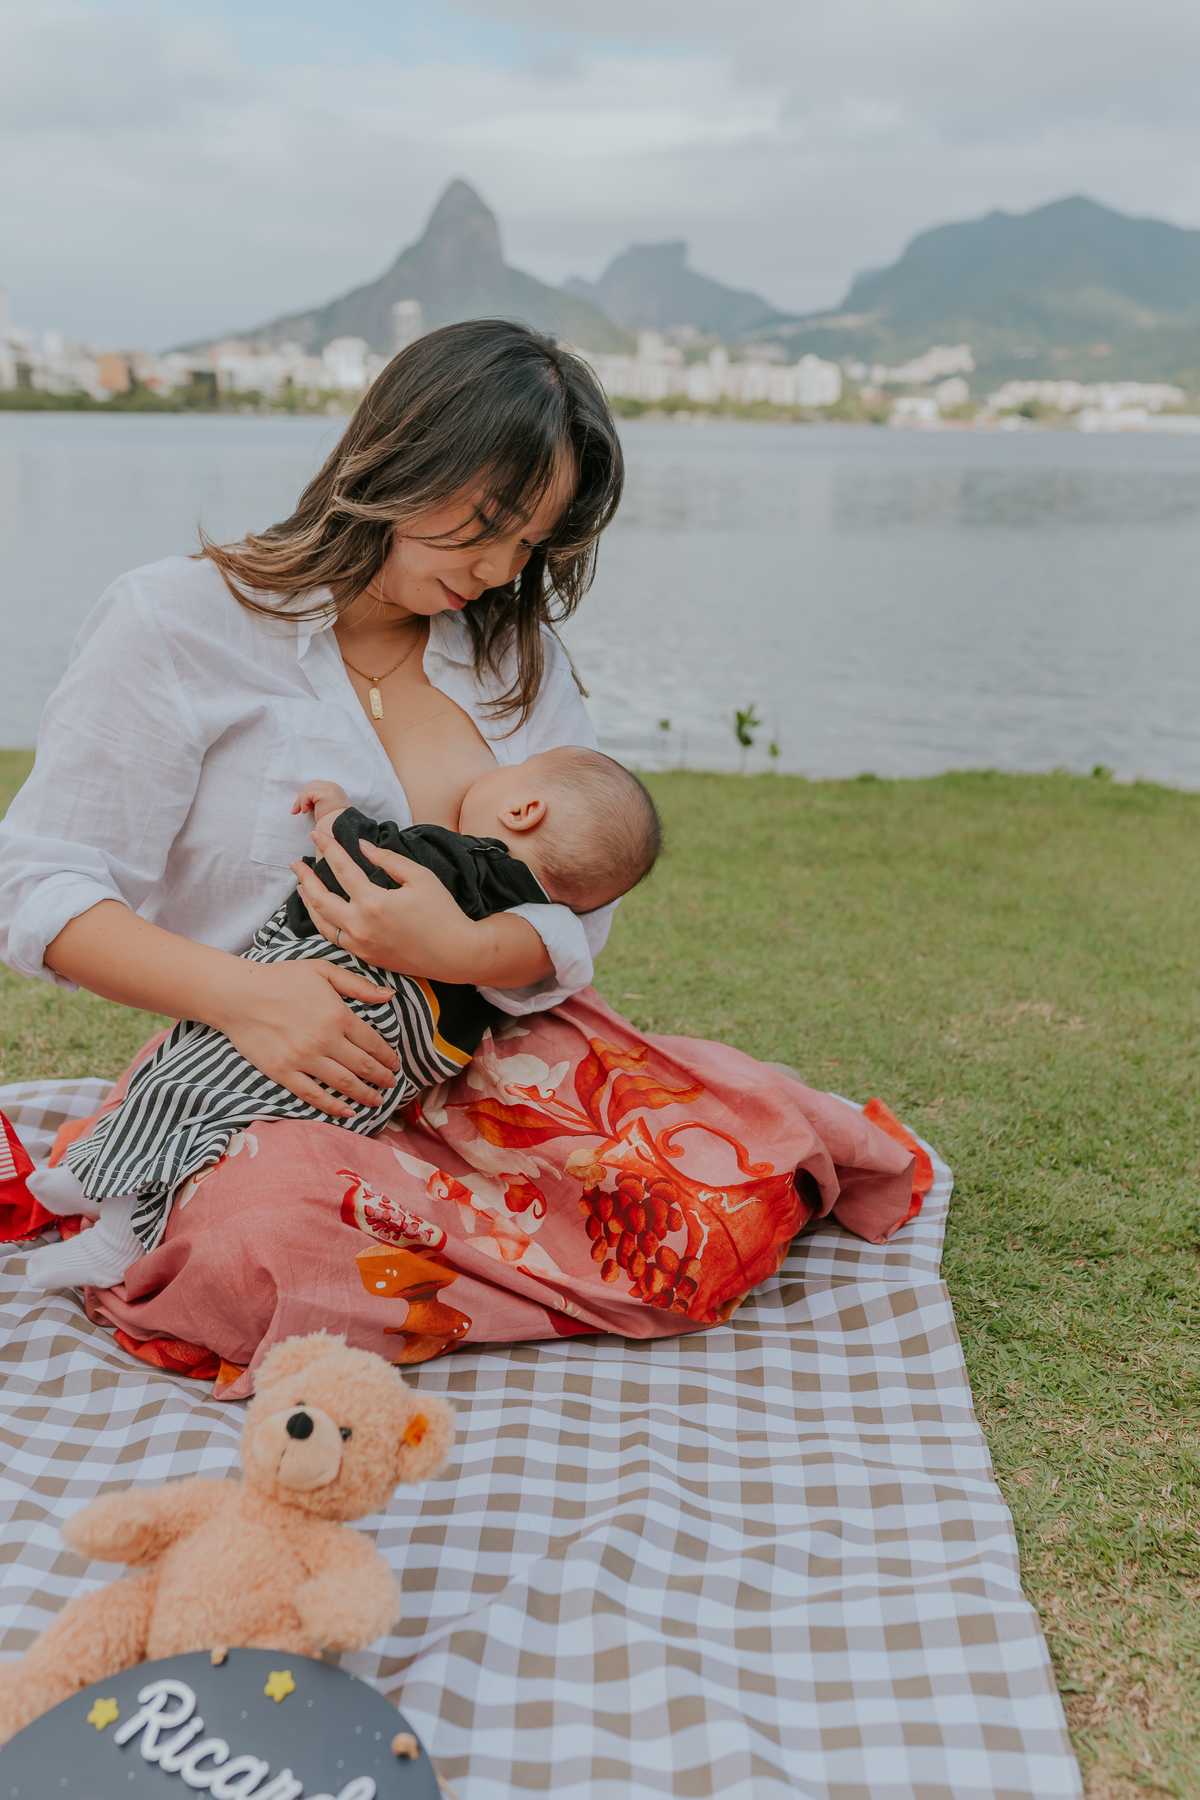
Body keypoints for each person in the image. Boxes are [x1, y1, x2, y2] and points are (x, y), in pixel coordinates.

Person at [0, 318, 923, 1393]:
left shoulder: (514, 660)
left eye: (530, 544)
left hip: (494, 1070)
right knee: (270, 1239)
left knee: (732, 1179)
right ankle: (454, 1258)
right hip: (281, 1084)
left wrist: (464, 943)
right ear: (393, 458)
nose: (497, 569)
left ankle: (454, 1265)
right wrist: (252, 999)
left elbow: (583, 903)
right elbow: (40, 887)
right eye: (483, 524)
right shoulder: (176, 623)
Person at [24, 747, 661, 1288]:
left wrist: (334, 810)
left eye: (514, 767)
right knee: (229, 1116)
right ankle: (101, 1182)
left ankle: (117, 1223)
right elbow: (566, 957)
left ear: (524, 810)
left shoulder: (464, 861)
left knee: (196, 1081)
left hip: (344, 1002)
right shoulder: (541, 922)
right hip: (389, 1066)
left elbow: (365, 851)